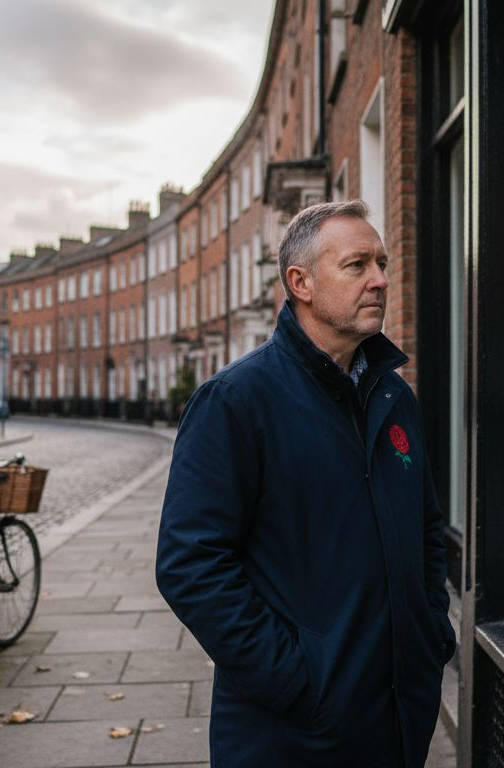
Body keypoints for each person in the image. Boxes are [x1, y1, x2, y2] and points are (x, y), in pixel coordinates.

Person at [156, 200, 455, 767]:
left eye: (383, 264)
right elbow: (189, 564)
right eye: (357, 265)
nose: (381, 280)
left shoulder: (395, 398)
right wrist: (295, 682)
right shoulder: (237, 402)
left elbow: (426, 529)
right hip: (292, 736)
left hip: (398, 718)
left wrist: (430, 635)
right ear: (301, 283)